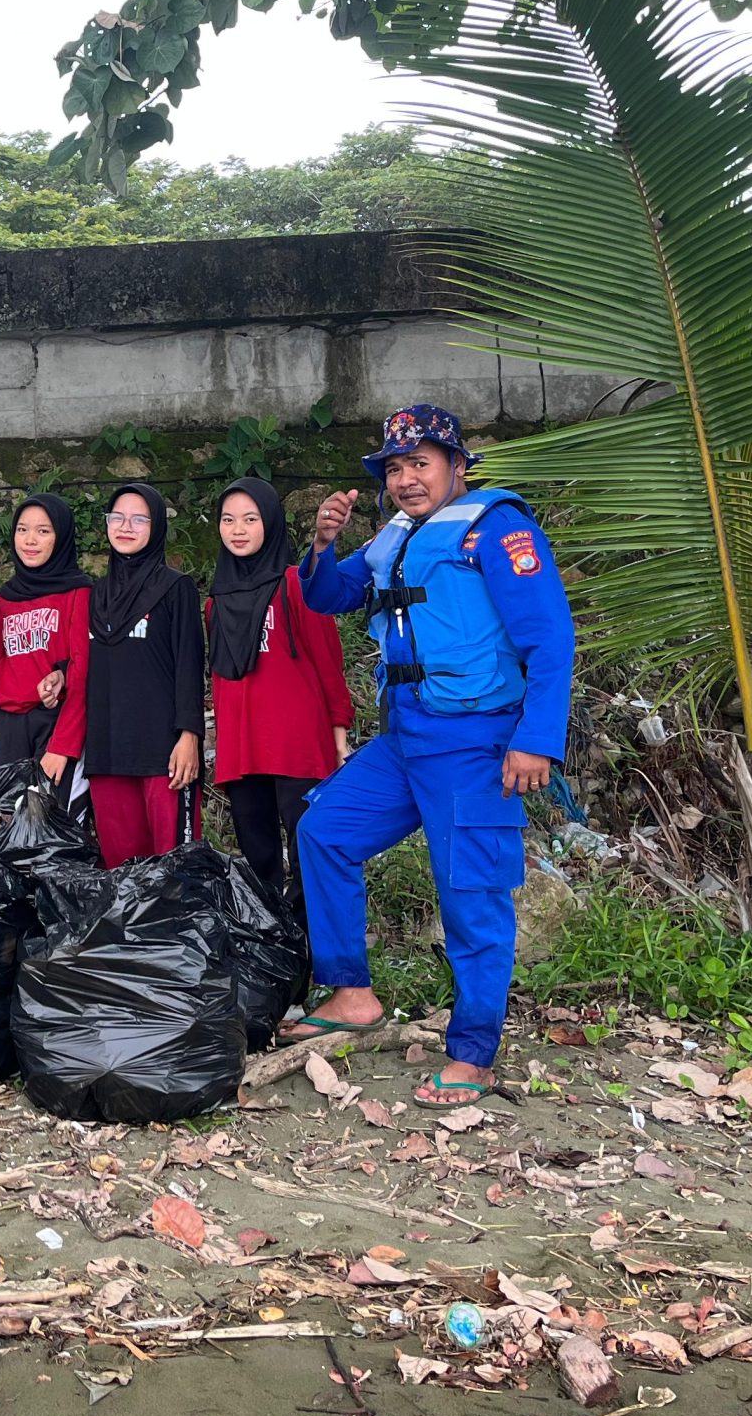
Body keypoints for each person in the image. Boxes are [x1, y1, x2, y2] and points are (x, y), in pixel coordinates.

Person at [286, 404, 577, 1109]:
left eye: (420, 464)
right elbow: (330, 595)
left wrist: (536, 738)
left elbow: (550, 636)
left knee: (469, 895)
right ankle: (352, 992)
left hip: (476, 741)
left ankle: (473, 1054)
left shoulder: (498, 528)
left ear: (457, 465)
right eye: (395, 468)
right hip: (405, 737)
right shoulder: (394, 537)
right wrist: (323, 544)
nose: (407, 479)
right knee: (324, 832)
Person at [206, 477, 353, 906]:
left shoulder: (296, 584)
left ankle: (315, 949)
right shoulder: (216, 600)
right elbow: (220, 679)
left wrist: (338, 735)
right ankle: (272, 952)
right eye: (229, 520)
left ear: (269, 523)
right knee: (258, 858)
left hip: (298, 743)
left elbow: (328, 661)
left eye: (250, 519)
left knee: (310, 850)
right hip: (243, 748)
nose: (238, 530)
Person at [79, 482, 204, 867]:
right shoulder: (95, 595)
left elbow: (189, 664)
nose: (125, 527)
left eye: (138, 519)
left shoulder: (175, 588)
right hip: (107, 752)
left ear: (156, 527)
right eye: (117, 517)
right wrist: (59, 676)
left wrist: (189, 736)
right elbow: (84, 663)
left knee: (174, 870)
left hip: (162, 753)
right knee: (123, 873)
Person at [0, 492, 90, 791]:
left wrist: (62, 746)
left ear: (61, 537)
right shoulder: (5, 598)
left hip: (55, 722)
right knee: (9, 823)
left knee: (56, 825)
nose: (30, 540)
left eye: (43, 531)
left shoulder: (79, 594)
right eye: (22, 529)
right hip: (9, 724)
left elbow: (83, 672)